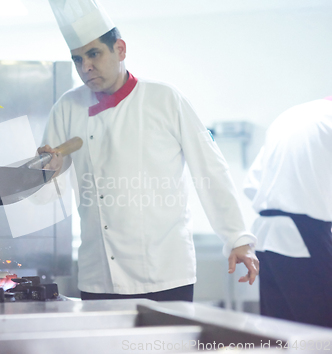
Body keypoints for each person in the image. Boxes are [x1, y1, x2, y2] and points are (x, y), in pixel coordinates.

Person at [39, 0, 259, 301]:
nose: (85, 67)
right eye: (77, 59)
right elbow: (47, 195)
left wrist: (237, 238)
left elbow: (210, 169)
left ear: (120, 49)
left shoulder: (164, 99)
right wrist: (45, 174)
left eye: (94, 53)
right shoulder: (66, 107)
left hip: (166, 273)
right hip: (99, 276)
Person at [244, 97, 332, 327]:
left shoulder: (289, 116)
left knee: (281, 334)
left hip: (266, 240)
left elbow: (252, 185)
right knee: (320, 334)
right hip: (305, 240)